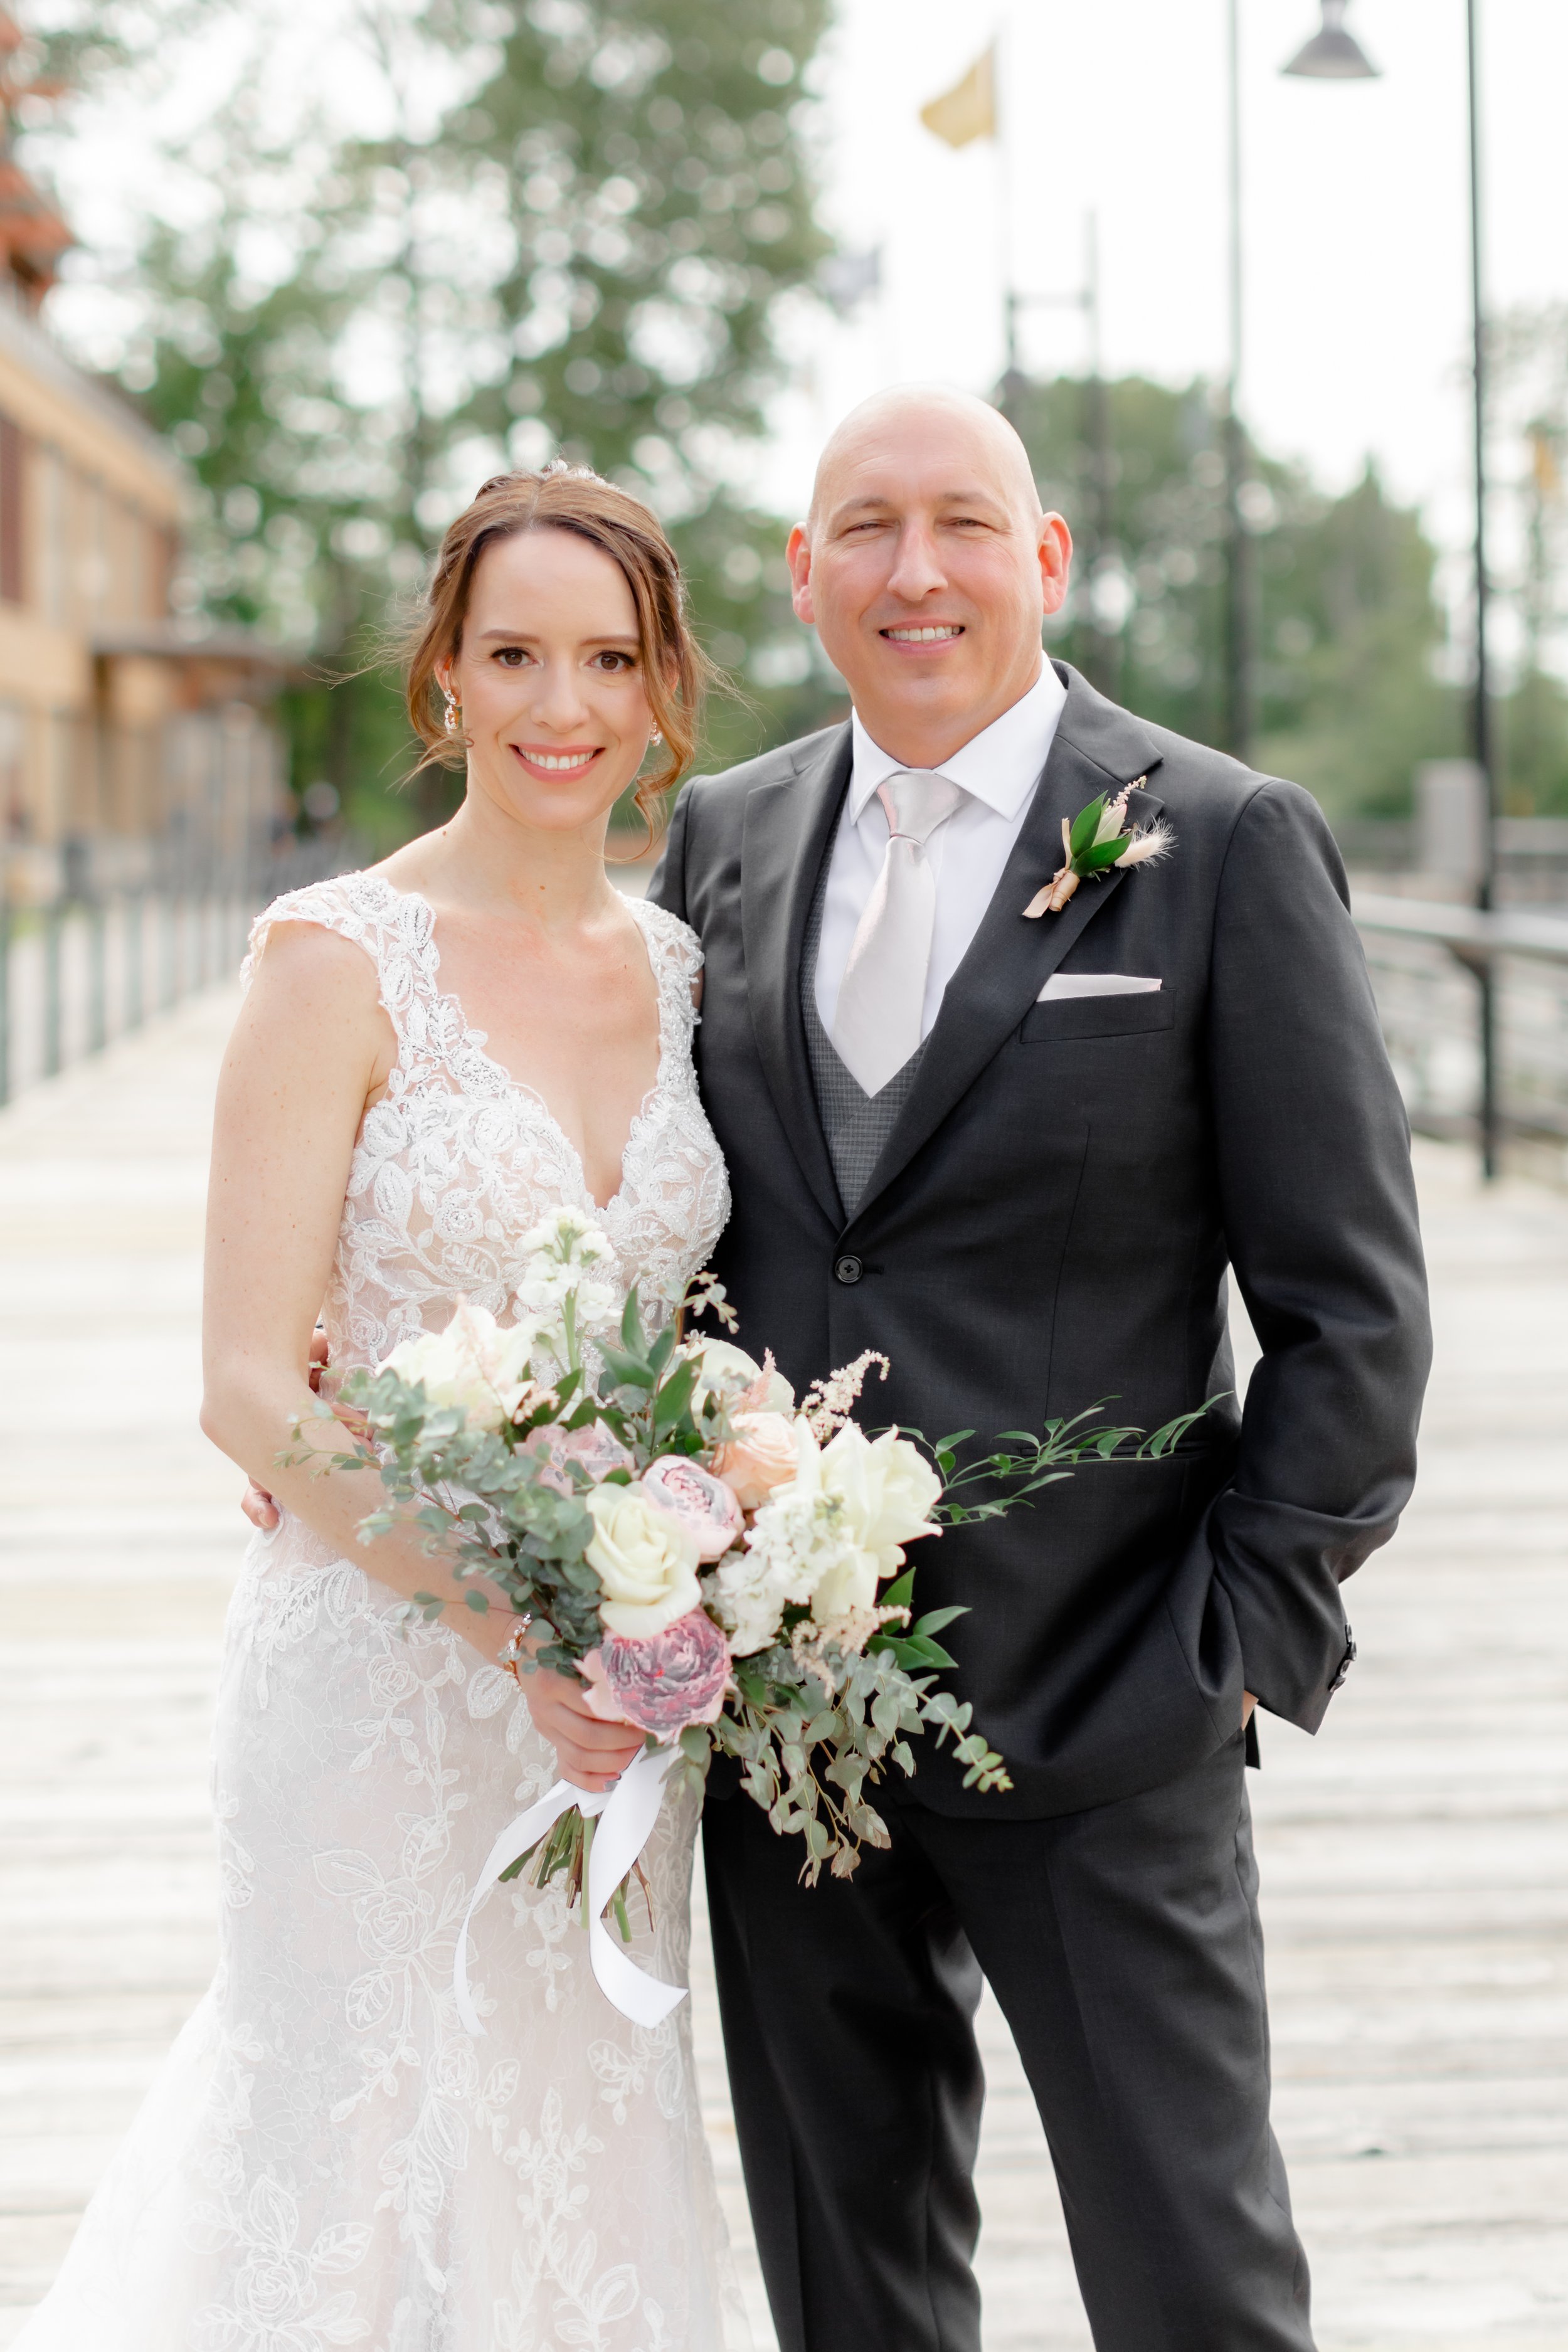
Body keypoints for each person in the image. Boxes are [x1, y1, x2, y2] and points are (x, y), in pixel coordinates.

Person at [646, 385, 1431, 2352]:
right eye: (867, 528)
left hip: (1106, 1705)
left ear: (1046, 558)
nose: (918, 571)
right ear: (802, 571)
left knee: (1193, 2283)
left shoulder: (1221, 839)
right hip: (780, 1722)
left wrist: (1233, 1642)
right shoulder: (719, 841)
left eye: (964, 524)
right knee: (854, 2288)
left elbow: (1351, 1307)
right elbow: (659, 1234)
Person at [18, 467, 746, 2352]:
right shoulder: (332, 962)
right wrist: (514, 1631)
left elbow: (703, 1323)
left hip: (614, 1703)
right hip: (380, 1676)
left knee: (573, 2152)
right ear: (444, 677)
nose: (558, 705)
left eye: (604, 658)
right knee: (344, 2151)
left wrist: (712, 1538)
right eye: (513, 653)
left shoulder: (681, 977)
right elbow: (250, 1386)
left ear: (664, 690)